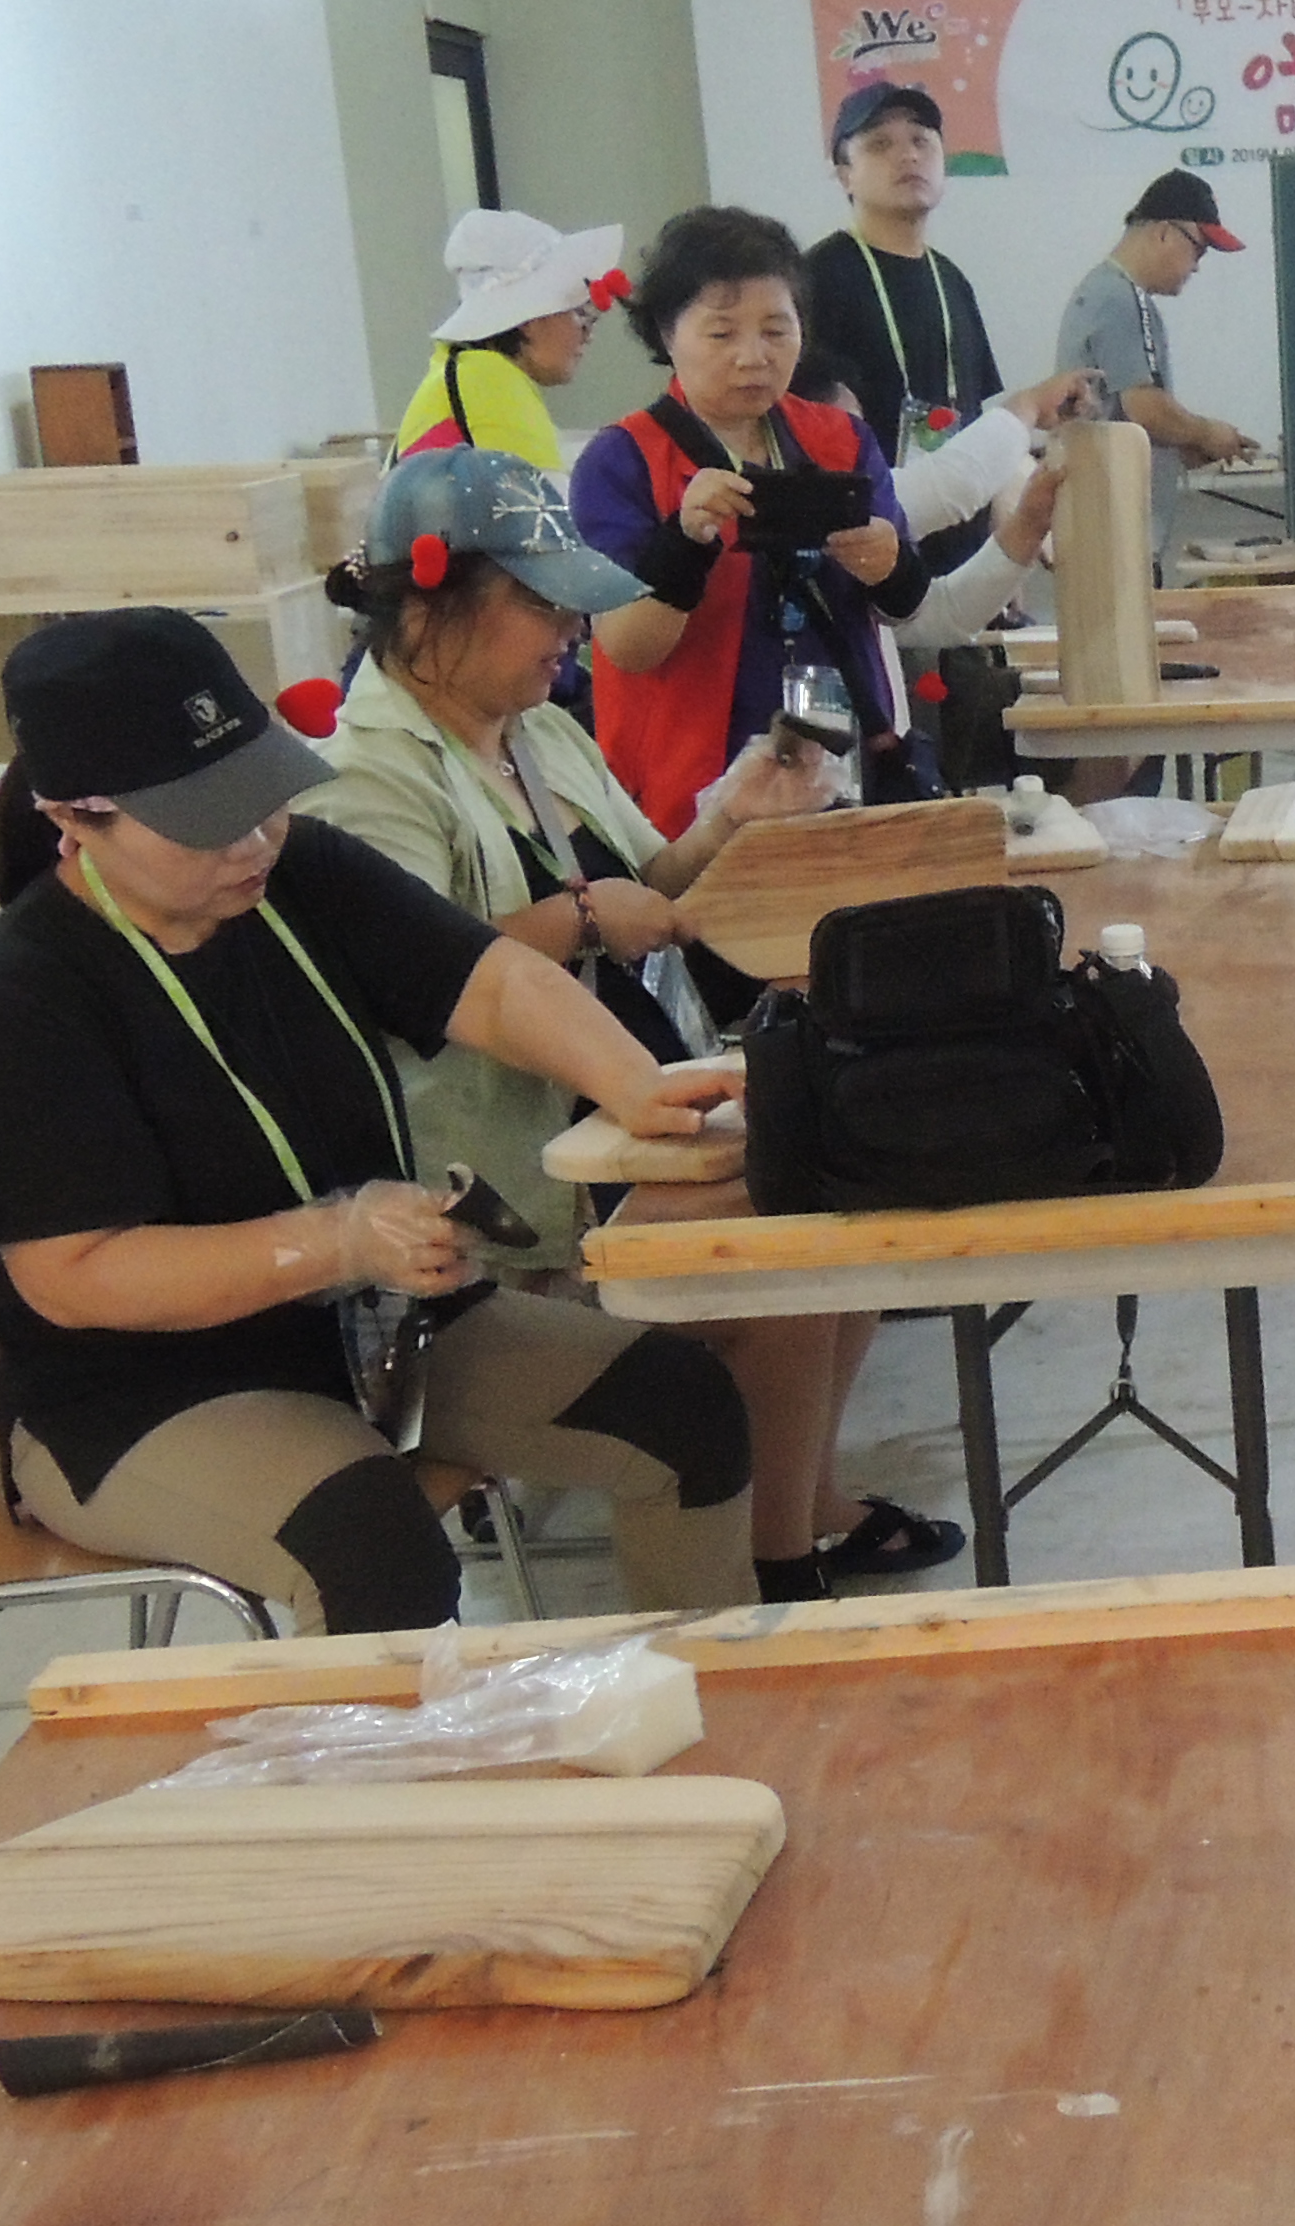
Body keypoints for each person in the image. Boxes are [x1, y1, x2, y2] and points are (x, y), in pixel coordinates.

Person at [0, 609, 756, 1636]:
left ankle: (704, 1697)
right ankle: (380, 1748)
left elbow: (493, 984)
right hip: (141, 1396)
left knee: (681, 1405)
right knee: (373, 1549)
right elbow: (74, 1275)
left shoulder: (298, 876)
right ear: (73, 816)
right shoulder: (18, 998)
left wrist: (635, 1083)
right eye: (205, 821)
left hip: (375, 1330)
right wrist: (337, 1240)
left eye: (261, 799)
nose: (252, 841)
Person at [308, 448, 962, 1603]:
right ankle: (772, 1561)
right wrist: (577, 920)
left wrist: (730, 819)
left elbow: (647, 887)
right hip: (498, 1162)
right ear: (430, 608)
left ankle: (803, 1508)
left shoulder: (537, 731)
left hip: (617, 1089)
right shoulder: (367, 776)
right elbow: (407, 977)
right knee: (774, 1264)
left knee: (843, 1202)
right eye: (543, 604)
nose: (572, 630)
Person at [569, 207, 931, 830]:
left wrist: (888, 564)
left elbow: (906, 605)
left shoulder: (841, 439)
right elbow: (626, 648)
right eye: (721, 334)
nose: (753, 356)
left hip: (836, 774)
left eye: (775, 330)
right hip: (687, 788)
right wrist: (686, 541)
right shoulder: (622, 459)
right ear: (667, 334)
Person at [1054, 173, 1261, 565]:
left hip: (1100, 532)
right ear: (1164, 232)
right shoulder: (1122, 299)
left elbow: (1117, 423)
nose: (1197, 267)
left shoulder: (1098, 292)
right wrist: (1207, 431)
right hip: (1119, 541)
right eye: (1199, 250)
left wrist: (1189, 448)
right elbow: (1144, 408)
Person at [803, 80, 1003, 478]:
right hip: (867, 506)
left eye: (921, 141)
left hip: (960, 504)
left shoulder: (952, 280)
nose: (909, 156)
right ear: (845, 175)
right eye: (880, 144)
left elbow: (972, 410)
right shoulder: (816, 276)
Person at [397, 209, 625, 470]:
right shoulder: (486, 379)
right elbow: (546, 491)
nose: (588, 334)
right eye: (580, 313)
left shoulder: (465, 370)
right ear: (530, 320)